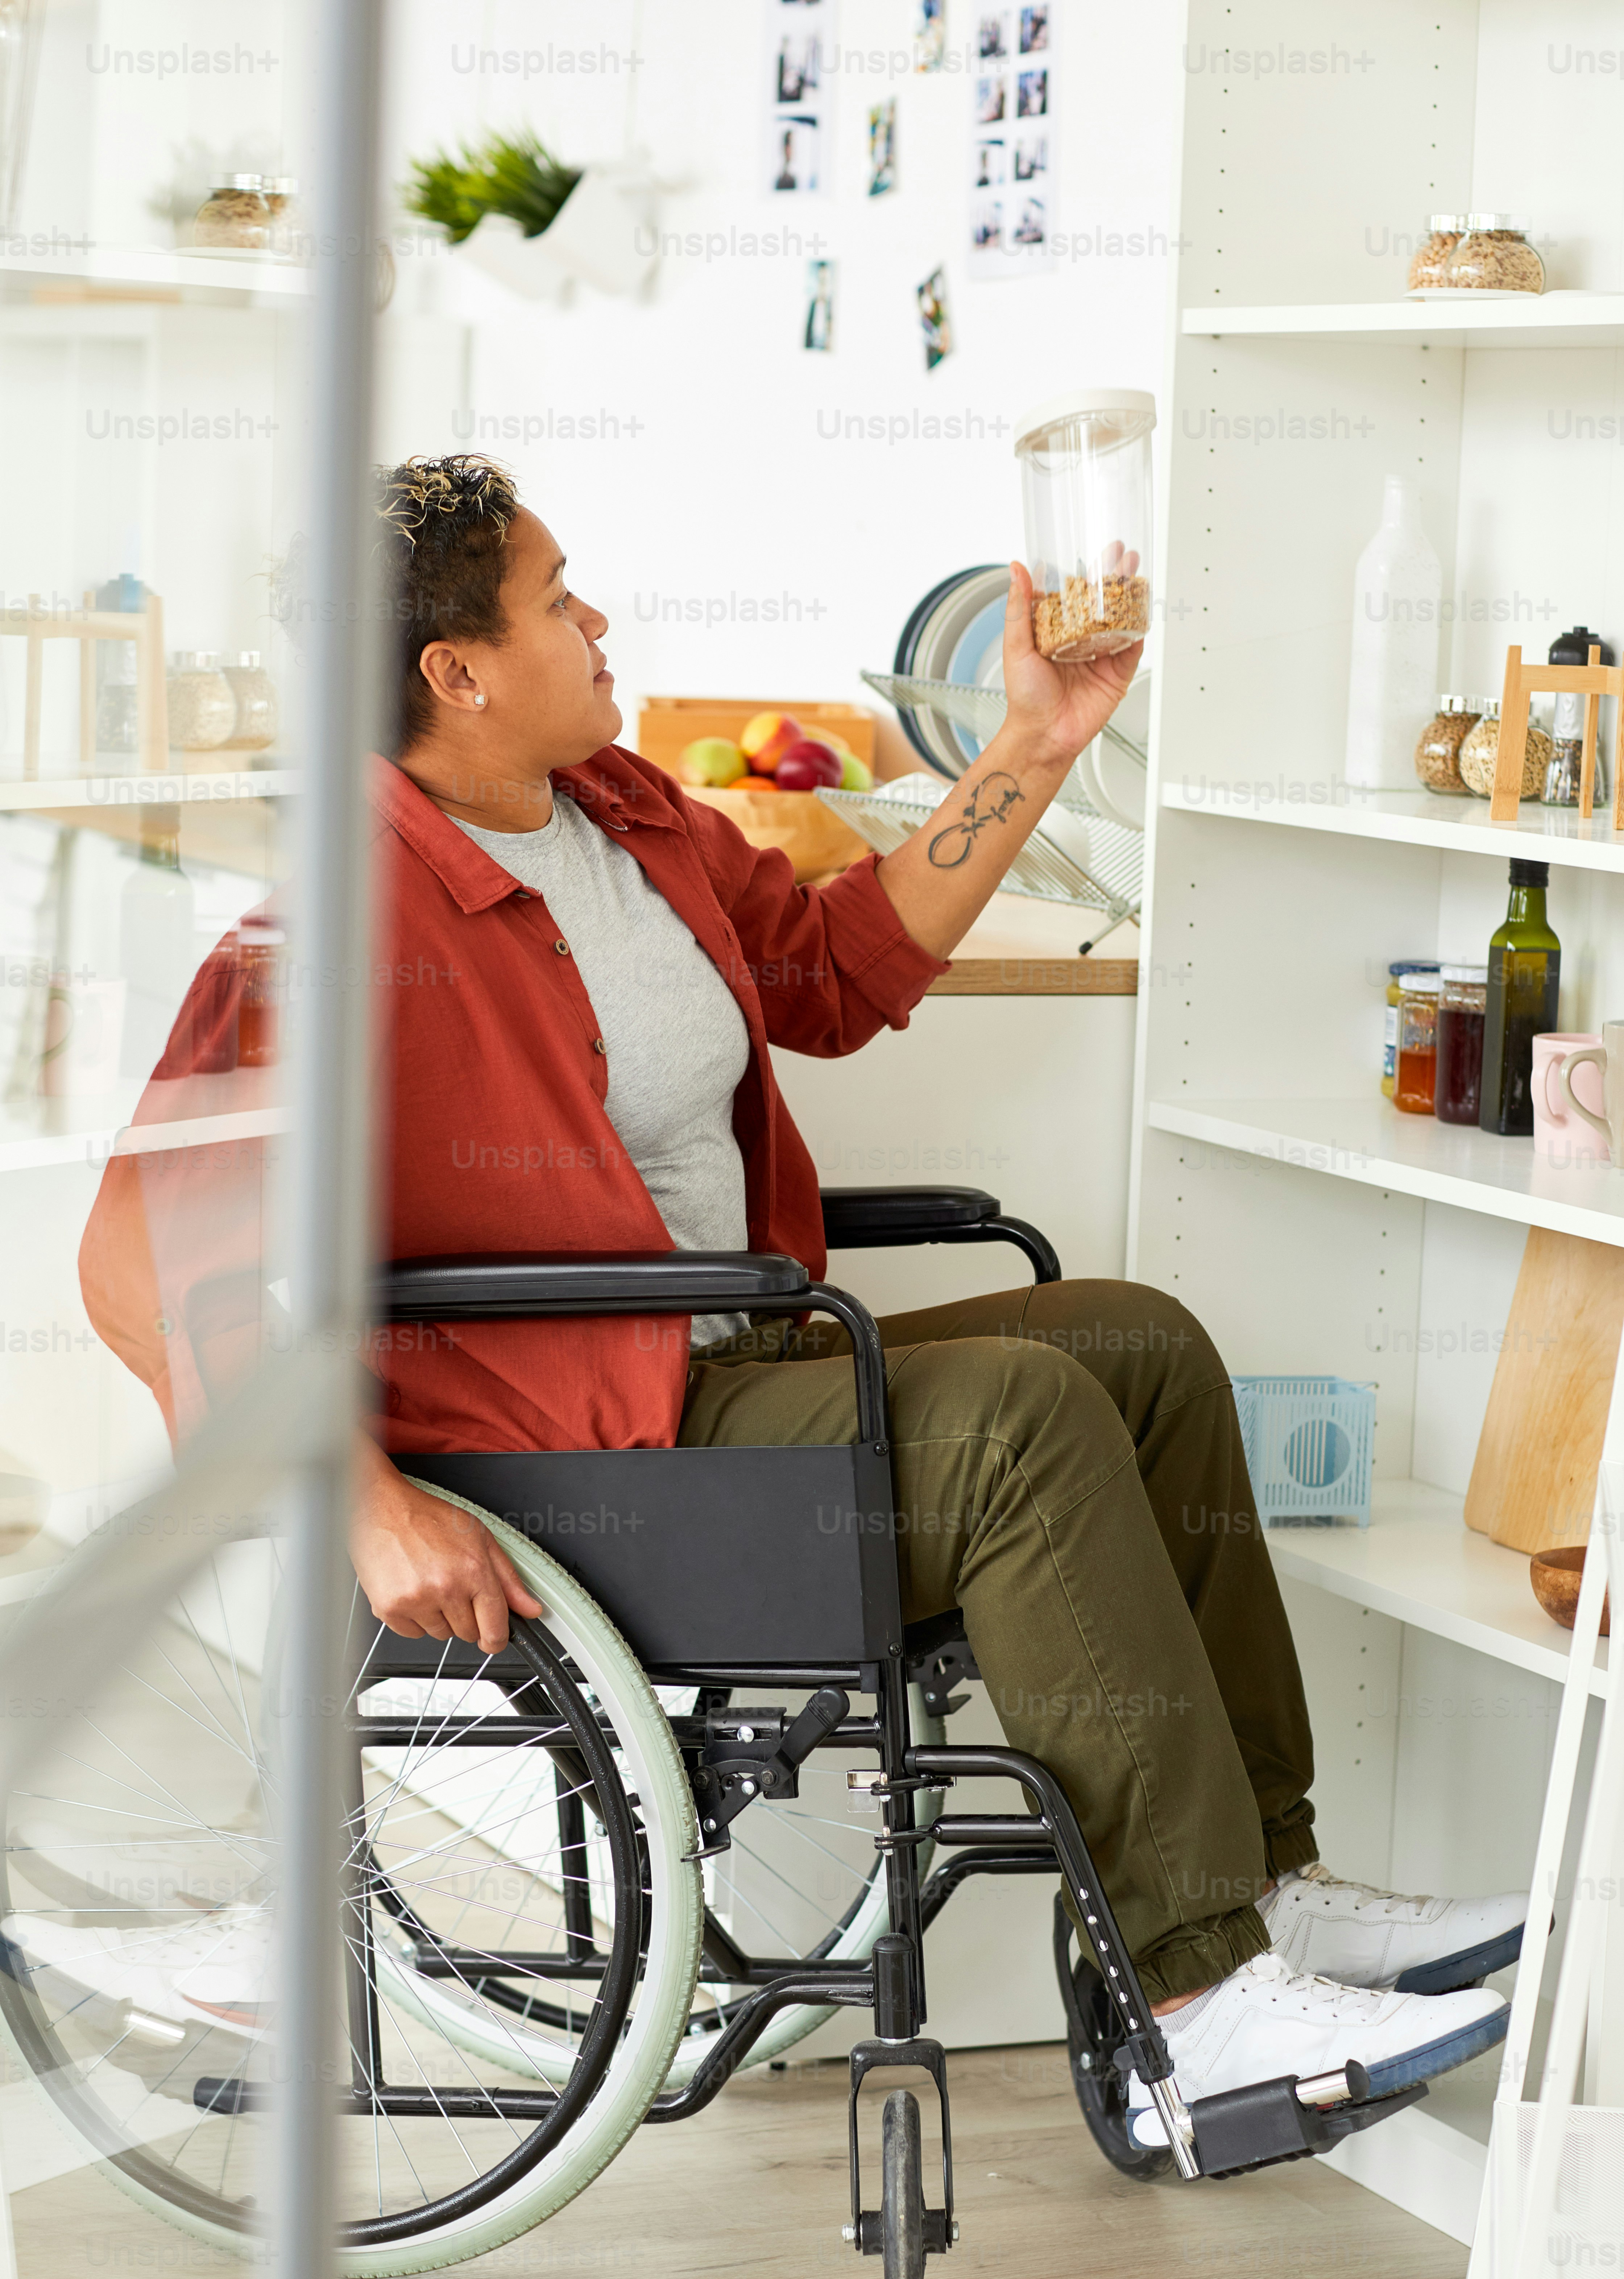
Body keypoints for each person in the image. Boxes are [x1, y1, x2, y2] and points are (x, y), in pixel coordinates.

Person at [79, 456, 1522, 2142]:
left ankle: (1266, 1883)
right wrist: (366, 1504)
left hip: (730, 1374)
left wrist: (1038, 740)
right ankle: (1189, 1999)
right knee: (1019, 1431)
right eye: (558, 597)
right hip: (590, 1449)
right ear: (453, 672)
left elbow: (835, 973)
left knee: (1134, 1347)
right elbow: (138, 1260)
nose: (597, 619)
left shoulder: (617, 814)